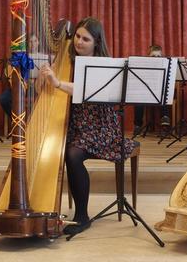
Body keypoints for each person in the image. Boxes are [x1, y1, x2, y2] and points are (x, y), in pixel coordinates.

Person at [40, 17, 136, 236]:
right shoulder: (66, 59)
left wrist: (58, 83)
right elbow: (44, 88)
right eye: (77, 36)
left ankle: (82, 217)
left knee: (72, 155)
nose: (79, 42)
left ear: (96, 42)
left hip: (100, 126)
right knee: (61, 151)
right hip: (76, 123)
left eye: (86, 38)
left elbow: (84, 88)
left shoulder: (102, 63)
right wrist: (45, 75)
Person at [132, 44, 171, 137]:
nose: (156, 58)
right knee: (138, 100)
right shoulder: (144, 67)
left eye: (158, 56)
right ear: (148, 57)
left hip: (159, 92)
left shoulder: (165, 67)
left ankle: (165, 124)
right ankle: (137, 125)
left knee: (164, 95)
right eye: (153, 56)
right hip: (146, 93)